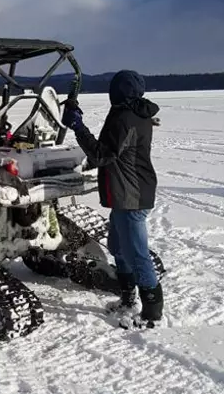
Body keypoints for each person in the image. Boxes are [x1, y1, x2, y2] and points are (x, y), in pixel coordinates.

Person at [61, 70, 163, 329]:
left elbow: (101, 155)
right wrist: (79, 119)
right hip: (126, 193)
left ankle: (152, 314)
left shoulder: (126, 117)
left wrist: (78, 126)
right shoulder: (130, 112)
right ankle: (128, 298)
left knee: (136, 254)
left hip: (132, 196)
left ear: (120, 91)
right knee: (117, 247)